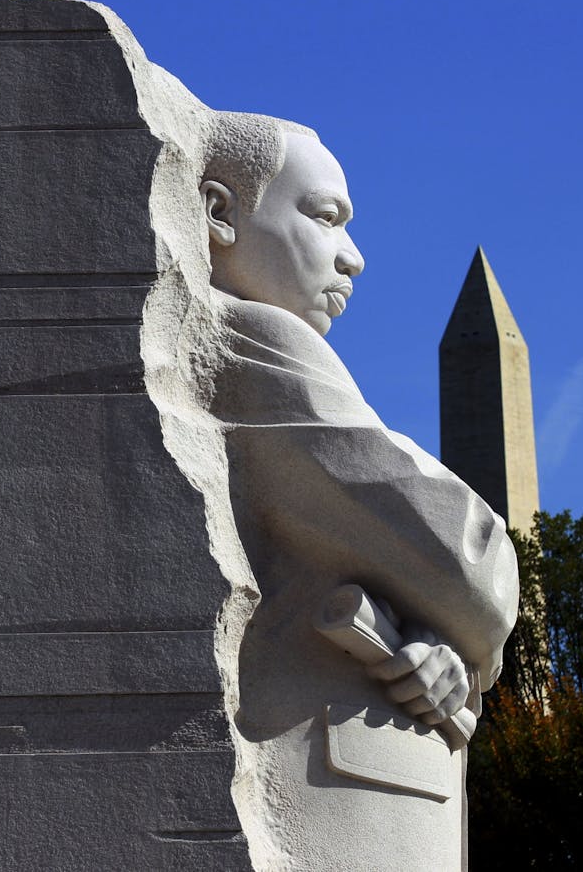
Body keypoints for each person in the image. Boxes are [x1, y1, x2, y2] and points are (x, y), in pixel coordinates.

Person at [199, 110, 518, 870]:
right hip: (328, 783)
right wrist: (472, 613)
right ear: (218, 214)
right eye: (323, 216)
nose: (355, 259)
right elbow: (469, 561)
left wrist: (455, 656)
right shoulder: (255, 343)